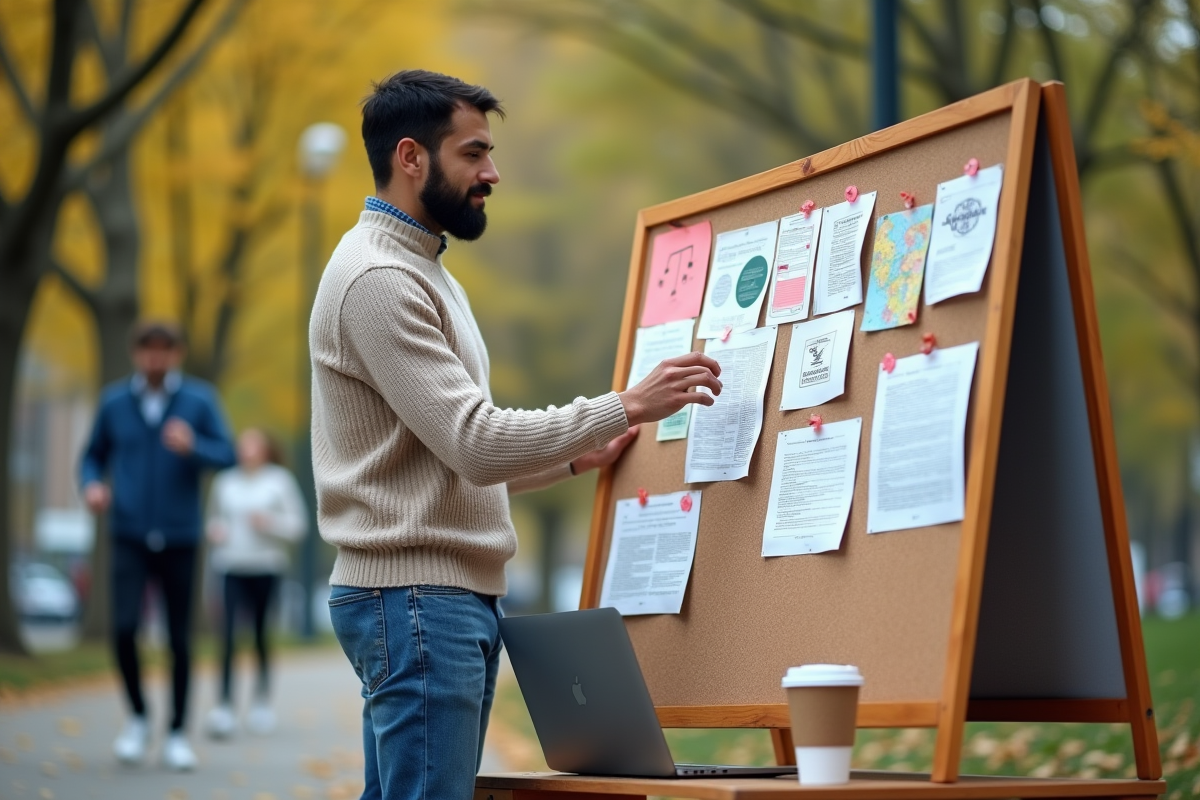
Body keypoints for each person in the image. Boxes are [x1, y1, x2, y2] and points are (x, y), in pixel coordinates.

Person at [309, 69, 722, 800]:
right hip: (416, 599)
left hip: (425, 598)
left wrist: (570, 459)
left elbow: (446, 459)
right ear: (411, 158)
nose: (491, 173)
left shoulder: (425, 271)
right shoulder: (379, 280)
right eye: (472, 154)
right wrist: (623, 405)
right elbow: (474, 441)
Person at [80, 321, 236, 771]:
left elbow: (226, 453)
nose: (155, 358)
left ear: (177, 354)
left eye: (164, 350)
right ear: (135, 354)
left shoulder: (198, 401)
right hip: (127, 532)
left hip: (181, 534)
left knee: (178, 637)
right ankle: (137, 717)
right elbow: (93, 456)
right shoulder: (114, 403)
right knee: (123, 628)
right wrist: (92, 486)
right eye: (148, 350)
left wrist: (194, 447)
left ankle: (175, 733)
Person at [204, 428, 306, 739]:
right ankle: (224, 706)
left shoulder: (279, 481)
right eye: (242, 445)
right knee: (228, 636)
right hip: (231, 566)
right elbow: (213, 519)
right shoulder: (225, 482)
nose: (246, 451)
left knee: (261, 635)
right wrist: (215, 532)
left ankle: (262, 703)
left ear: (265, 450)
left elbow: (298, 526)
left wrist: (270, 523)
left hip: (266, 567)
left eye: (253, 445)